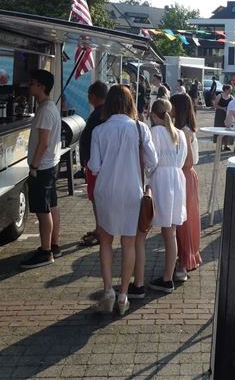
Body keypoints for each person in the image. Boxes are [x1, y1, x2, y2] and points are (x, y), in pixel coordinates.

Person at [88, 85, 158, 314]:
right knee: (129, 244)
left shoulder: (99, 130)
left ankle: (108, 290)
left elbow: (95, 167)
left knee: (105, 241)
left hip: (106, 191)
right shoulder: (141, 128)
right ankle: (123, 295)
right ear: (130, 103)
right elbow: (153, 161)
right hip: (131, 190)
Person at [137, 98, 187, 295]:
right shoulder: (180, 134)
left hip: (161, 180)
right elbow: (183, 159)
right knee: (170, 232)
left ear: (154, 114)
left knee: (144, 227)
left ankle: (141, 279)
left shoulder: (154, 132)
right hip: (176, 178)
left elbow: (151, 160)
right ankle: (168, 276)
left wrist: (148, 176)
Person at [20, 70, 63, 269]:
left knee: (43, 210)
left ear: (42, 87)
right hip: (50, 164)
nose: (29, 86)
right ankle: (53, 245)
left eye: (33, 83)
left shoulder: (45, 110)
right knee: (51, 205)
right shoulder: (49, 107)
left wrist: (34, 166)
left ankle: (45, 251)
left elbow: (43, 142)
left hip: (43, 166)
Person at [169, 93, 202, 281]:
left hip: (185, 176)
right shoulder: (181, 129)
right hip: (182, 176)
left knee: (184, 221)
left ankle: (183, 261)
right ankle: (184, 258)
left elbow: (189, 162)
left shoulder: (186, 131)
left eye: (172, 106)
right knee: (181, 220)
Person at [79, 81, 108, 247]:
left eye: (89, 95)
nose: (88, 98)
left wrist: (88, 162)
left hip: (95, 165)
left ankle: (100, 230)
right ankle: (100, 228)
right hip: (95, 163)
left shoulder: (99, 115)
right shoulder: (102, 113)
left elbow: (91, 140)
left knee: (97, 198)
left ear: (94, 96)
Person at [212, 84, 233, 151]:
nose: (231, 91)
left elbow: (234, 105)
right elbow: (215, 105)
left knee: (227, 129)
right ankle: (219, 145)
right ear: (226, 89)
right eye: (230, 89)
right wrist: (222, 108)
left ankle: (226, 145)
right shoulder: (219, 96)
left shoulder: (231, 97)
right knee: (219, 129)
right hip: (220, 115)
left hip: (228, 115)